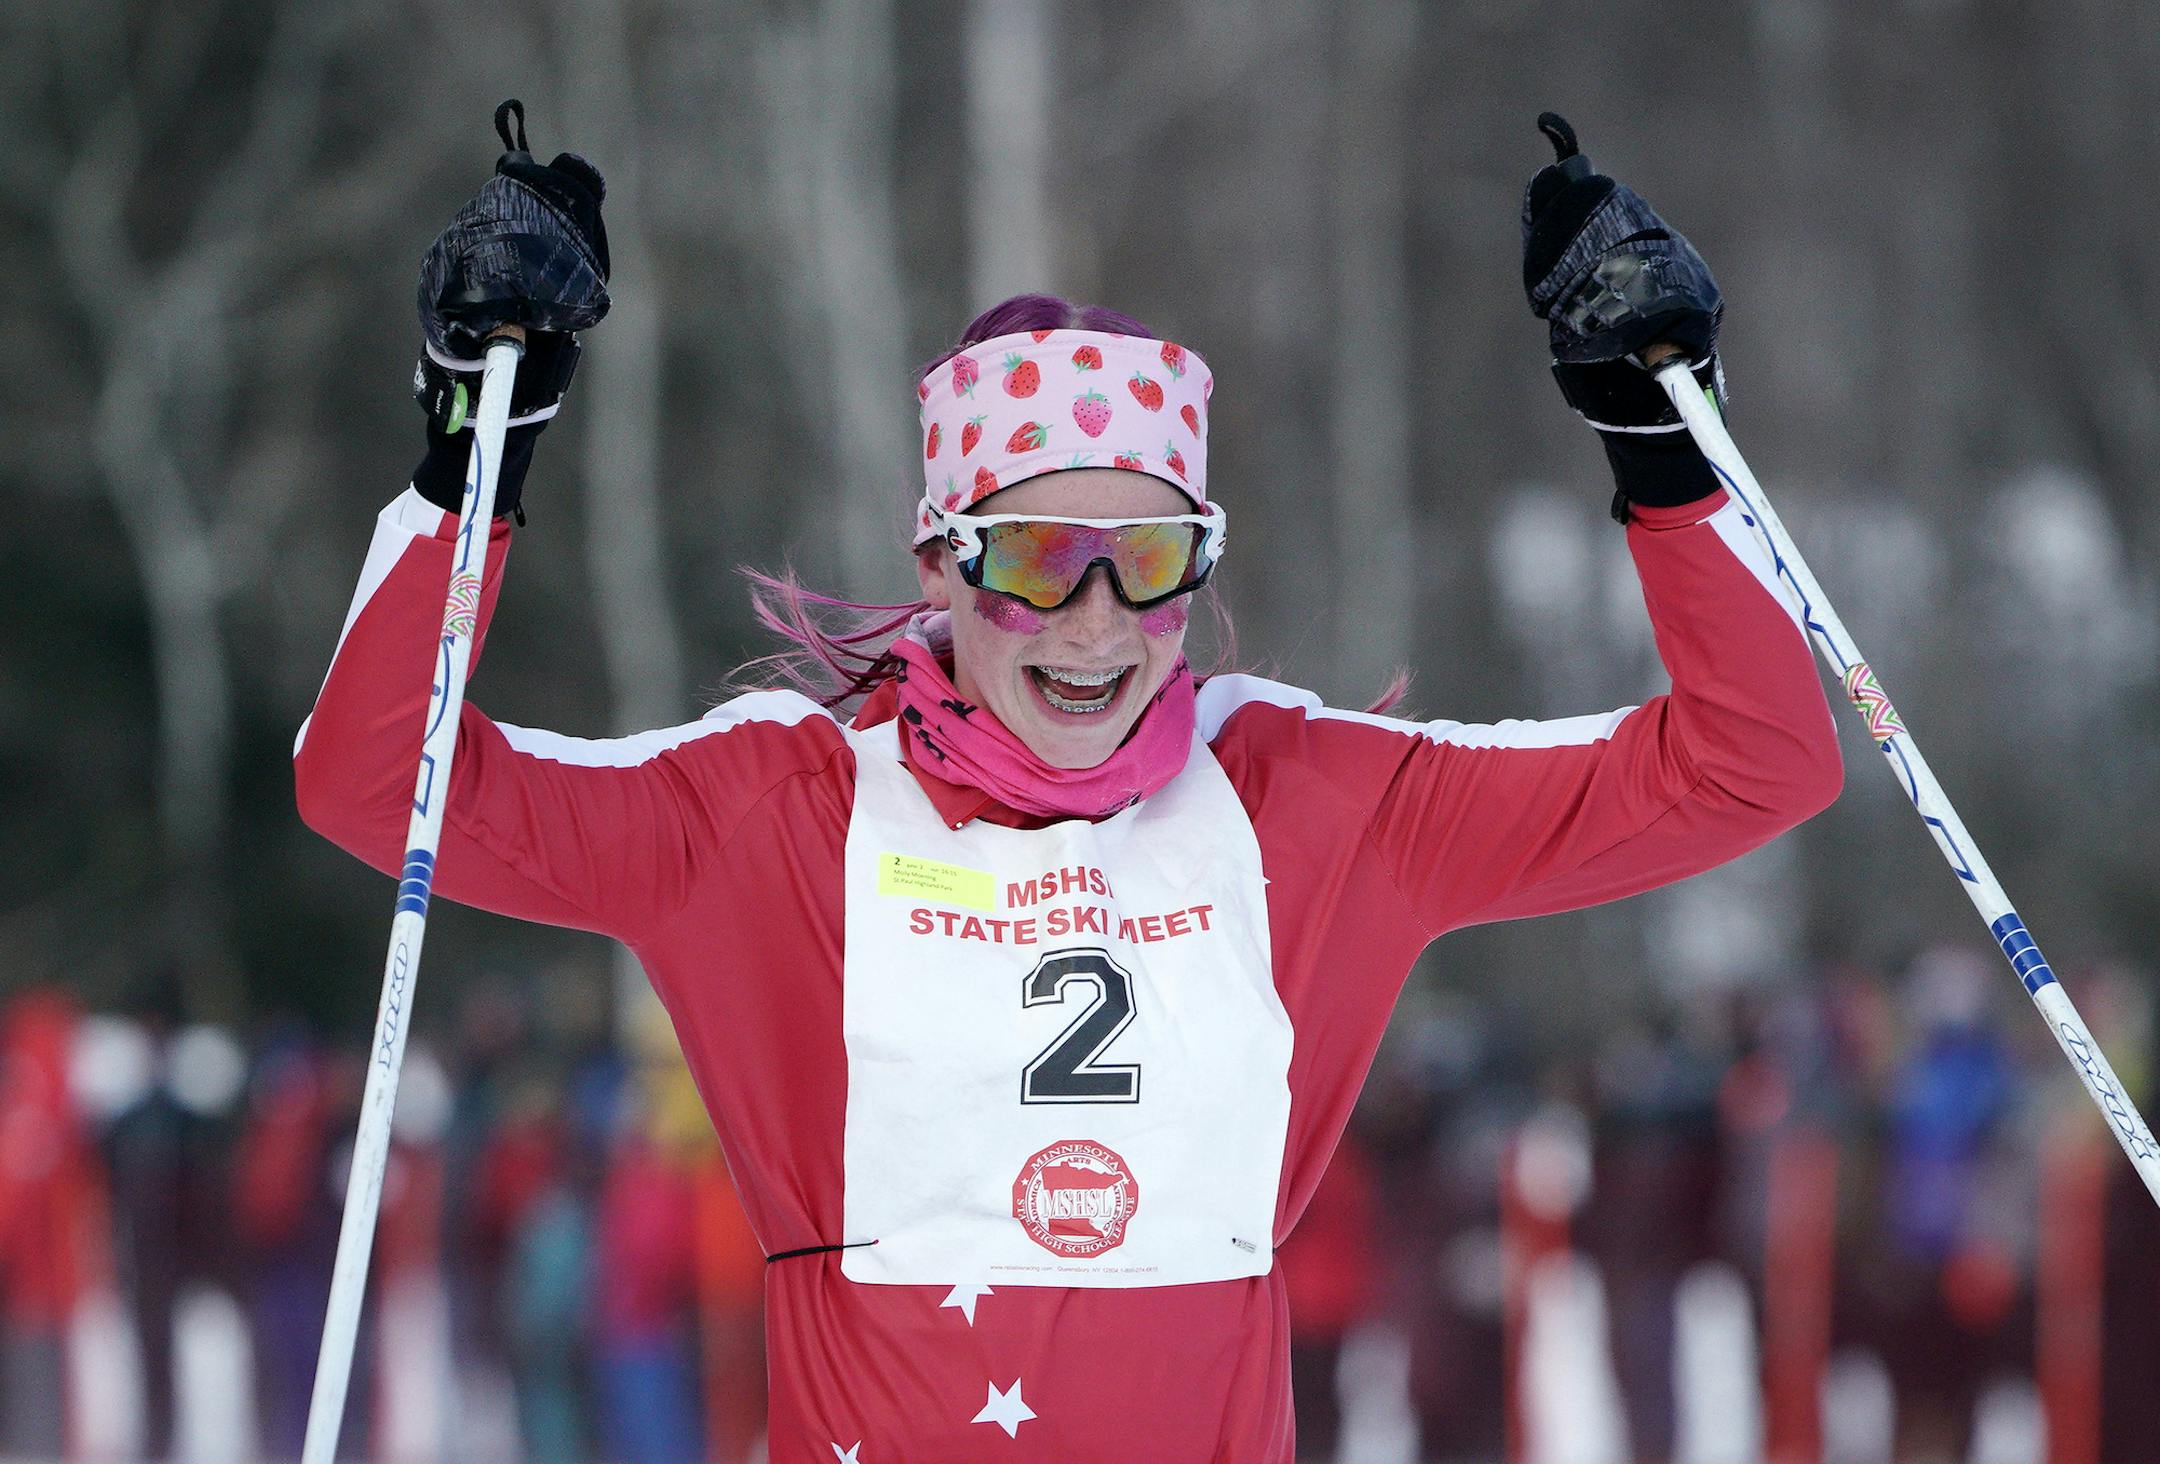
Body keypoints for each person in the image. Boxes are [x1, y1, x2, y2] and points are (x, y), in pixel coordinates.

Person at [295, 105, 1841, 1461]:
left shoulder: (1303, 800)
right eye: (1036, 557)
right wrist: (474, 443)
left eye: (1149, 558)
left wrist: (1662, 447)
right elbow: (375, 785)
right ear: (941, 559)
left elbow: (1751, 764)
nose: (1096, 624)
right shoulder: (776, 815)